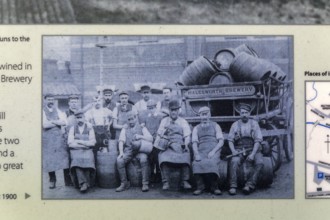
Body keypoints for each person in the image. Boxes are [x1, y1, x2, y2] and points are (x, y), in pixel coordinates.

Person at [154, 99, 192, 190]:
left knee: (186, 154)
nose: (174, 112)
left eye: (176, 110)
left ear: (178, 110)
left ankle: (185, 181)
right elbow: (159, 134)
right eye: (172, 110)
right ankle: (165, 182)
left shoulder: (183, 121)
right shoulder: (164, 121)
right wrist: (158, 144)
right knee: (162, 156)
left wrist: (186, 145)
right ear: (169, 110)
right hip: (167, 144)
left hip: (180, 144)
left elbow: (187, 135)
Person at [227, 103, 264, 195]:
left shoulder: (254, 124)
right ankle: (233, 186)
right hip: (239, 149)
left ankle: (249, 185)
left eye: (246, 113)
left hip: (253, 149)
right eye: (242, 113)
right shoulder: (235, 124)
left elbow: (258, 140)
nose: (244, 114)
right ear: (240, 113)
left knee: (260, 163)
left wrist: (252, 154)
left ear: (249, 113)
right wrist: (233, 151)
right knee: (234, 161)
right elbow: (230, 140)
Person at [116, 111, 153, 192]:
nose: (131, 121)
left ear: (136, 118)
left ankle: (145, 183)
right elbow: (121, 141)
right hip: (129, 150)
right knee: (119, 160)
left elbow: (150, 138)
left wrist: (140, 136)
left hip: (140, 150)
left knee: (144, 159)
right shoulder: (125, 128)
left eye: (132, 119)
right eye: (129, 119)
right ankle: (124, 183)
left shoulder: (142, 127)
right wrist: (121, 152)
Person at [191, 106, 224, 195]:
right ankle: (200, 186)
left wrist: (214, 151)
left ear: (209, 115)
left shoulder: (216, 125)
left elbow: (221, 141)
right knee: (196, 163)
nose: (204, 117)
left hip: (214, 149)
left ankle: (214, 187)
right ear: (200, 116)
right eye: (202, 115)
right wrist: (196, 153)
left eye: (206, 114)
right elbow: (194, 143)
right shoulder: (196, 128)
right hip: (201, 150)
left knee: (212, 162)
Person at [42, 93, 70, 189]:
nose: (50, 101)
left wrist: (52, 121)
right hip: (48, 139)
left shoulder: (58, 110)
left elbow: (65, 122)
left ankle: (67, 181)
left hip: (58, 139)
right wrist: (57, 122)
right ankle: (52, 180)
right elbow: (45, 125)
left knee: (63, 158)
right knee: (50, 159)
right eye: (48, 99)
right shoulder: (42, 111)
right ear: (45, 100)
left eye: (52, 99)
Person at [67, 111, 97, 193]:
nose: (79, 119)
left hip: (87, 150)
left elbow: (93, 142)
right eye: (77, 118)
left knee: (87, 159)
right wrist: (85, 144)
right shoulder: (72, 128)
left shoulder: (90, 128)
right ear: (75, 119)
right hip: (76, 151)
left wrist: (79, 142)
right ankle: (84, 183)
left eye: (81, 117)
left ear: (84, 118)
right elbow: (70, 143)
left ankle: (84, 183)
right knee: (77, 160)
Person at [140, 99, 164, 183]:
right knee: (150, 158)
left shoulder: (161, 117)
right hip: (149, 141)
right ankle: (151, 175)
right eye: (149, 108)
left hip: (158, 140)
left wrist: (157, 138)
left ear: (156, 107)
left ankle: (159, 175)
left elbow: (162, 129)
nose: (151, 110)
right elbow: (145, 129)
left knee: (157, 158)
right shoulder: (147, 117)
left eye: (152, 108)